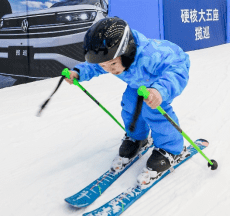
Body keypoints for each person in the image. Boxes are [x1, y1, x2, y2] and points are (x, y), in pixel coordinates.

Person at [65, 17, 190, 187]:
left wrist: (159, 90)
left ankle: (171, 148)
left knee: (152, 110)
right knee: (130, 104)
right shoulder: (111, 57)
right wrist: (79, 72)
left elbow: (177, 70)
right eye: (105, 66)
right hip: (139, 81)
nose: (110, 70)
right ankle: (137, 138)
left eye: (113, 64)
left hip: (161, 78)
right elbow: (94, 65)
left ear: (128, 50)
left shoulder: (150, 57)